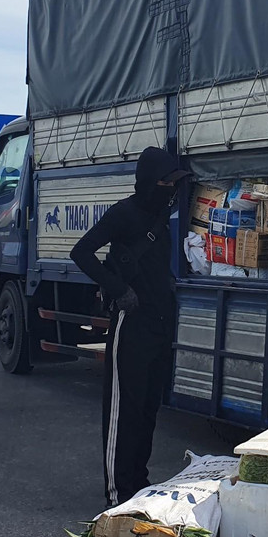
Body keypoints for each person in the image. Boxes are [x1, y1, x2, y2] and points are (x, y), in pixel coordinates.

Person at [70, 146, 188, 507]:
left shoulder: (162, 214)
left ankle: (139, 481)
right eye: (167, 181)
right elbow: (82, 252)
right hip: (131, 323)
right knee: (125, 409)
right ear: (151, 181)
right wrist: (119, 289)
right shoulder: (124, 213)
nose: (172, 188)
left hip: (160, 322)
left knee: (149, 407)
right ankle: (117, 491)